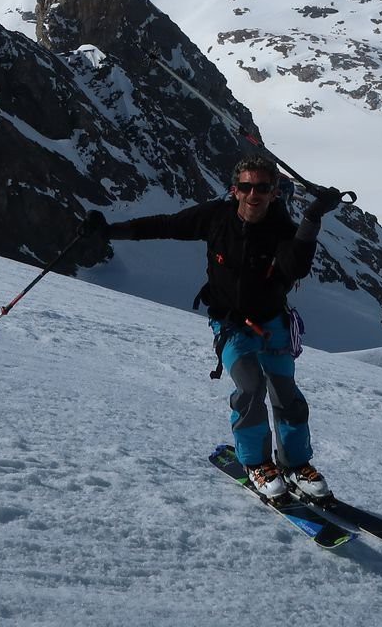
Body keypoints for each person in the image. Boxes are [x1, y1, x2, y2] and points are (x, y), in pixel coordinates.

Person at [89, 154, 342, 501]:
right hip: (230, 323)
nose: (253, 194)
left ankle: (296, 464)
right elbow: (165, 225)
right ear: (234, 190)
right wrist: (108, 231)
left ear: (274, 193)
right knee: (251, 388)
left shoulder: (281, 227)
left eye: (262, 188)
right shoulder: (216, 217)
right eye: (246, 186)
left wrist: (312, 218)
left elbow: (295, 265)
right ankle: (257, 463)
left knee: (287, 396)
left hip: (273, 323)